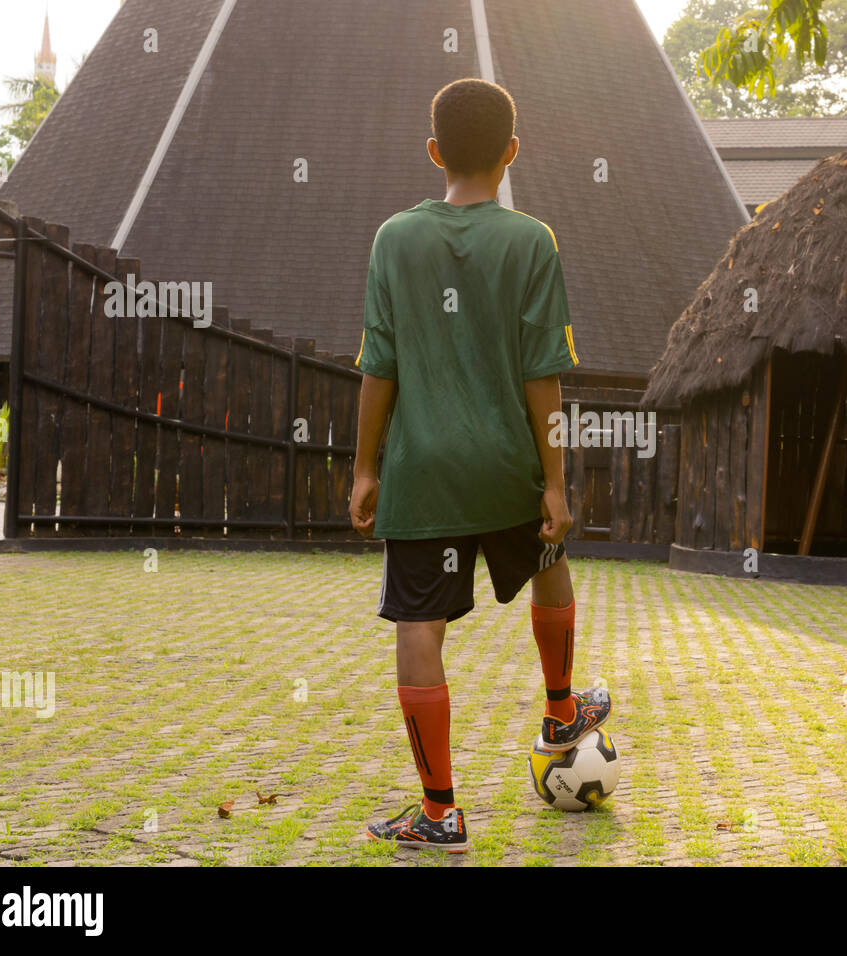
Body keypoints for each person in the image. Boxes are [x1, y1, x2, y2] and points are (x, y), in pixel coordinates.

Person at [349, 78, 611, 852]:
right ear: (512, 153)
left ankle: (439, 813)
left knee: (417, 625)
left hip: (425, 473)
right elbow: (543, 375)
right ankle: (561, 707)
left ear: (435, 153)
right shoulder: (533, 240)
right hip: (509, 466)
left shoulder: (393, 238)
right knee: (551, 554)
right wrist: (555, 482)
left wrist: (366, 469)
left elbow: (379, 365)